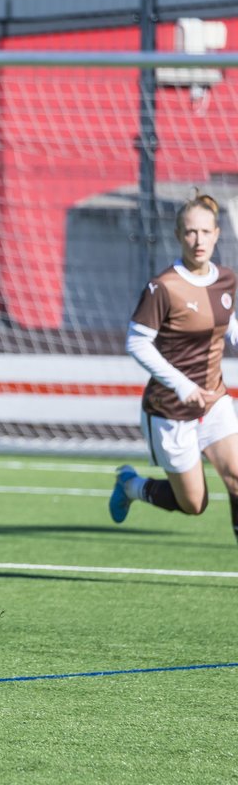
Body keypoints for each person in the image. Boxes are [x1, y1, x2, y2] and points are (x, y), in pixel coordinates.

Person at [109, 192, 238, 542]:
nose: (198, 240)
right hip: (170, 411)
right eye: (190, 232)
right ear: (179, 234)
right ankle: (132, 486)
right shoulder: (164, 287)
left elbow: (227, 323)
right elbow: (136, 342)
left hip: (215, 402)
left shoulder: (226, 278)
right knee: (194, 504)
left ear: (216, 234)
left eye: (205, 232)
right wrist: (182, 385)